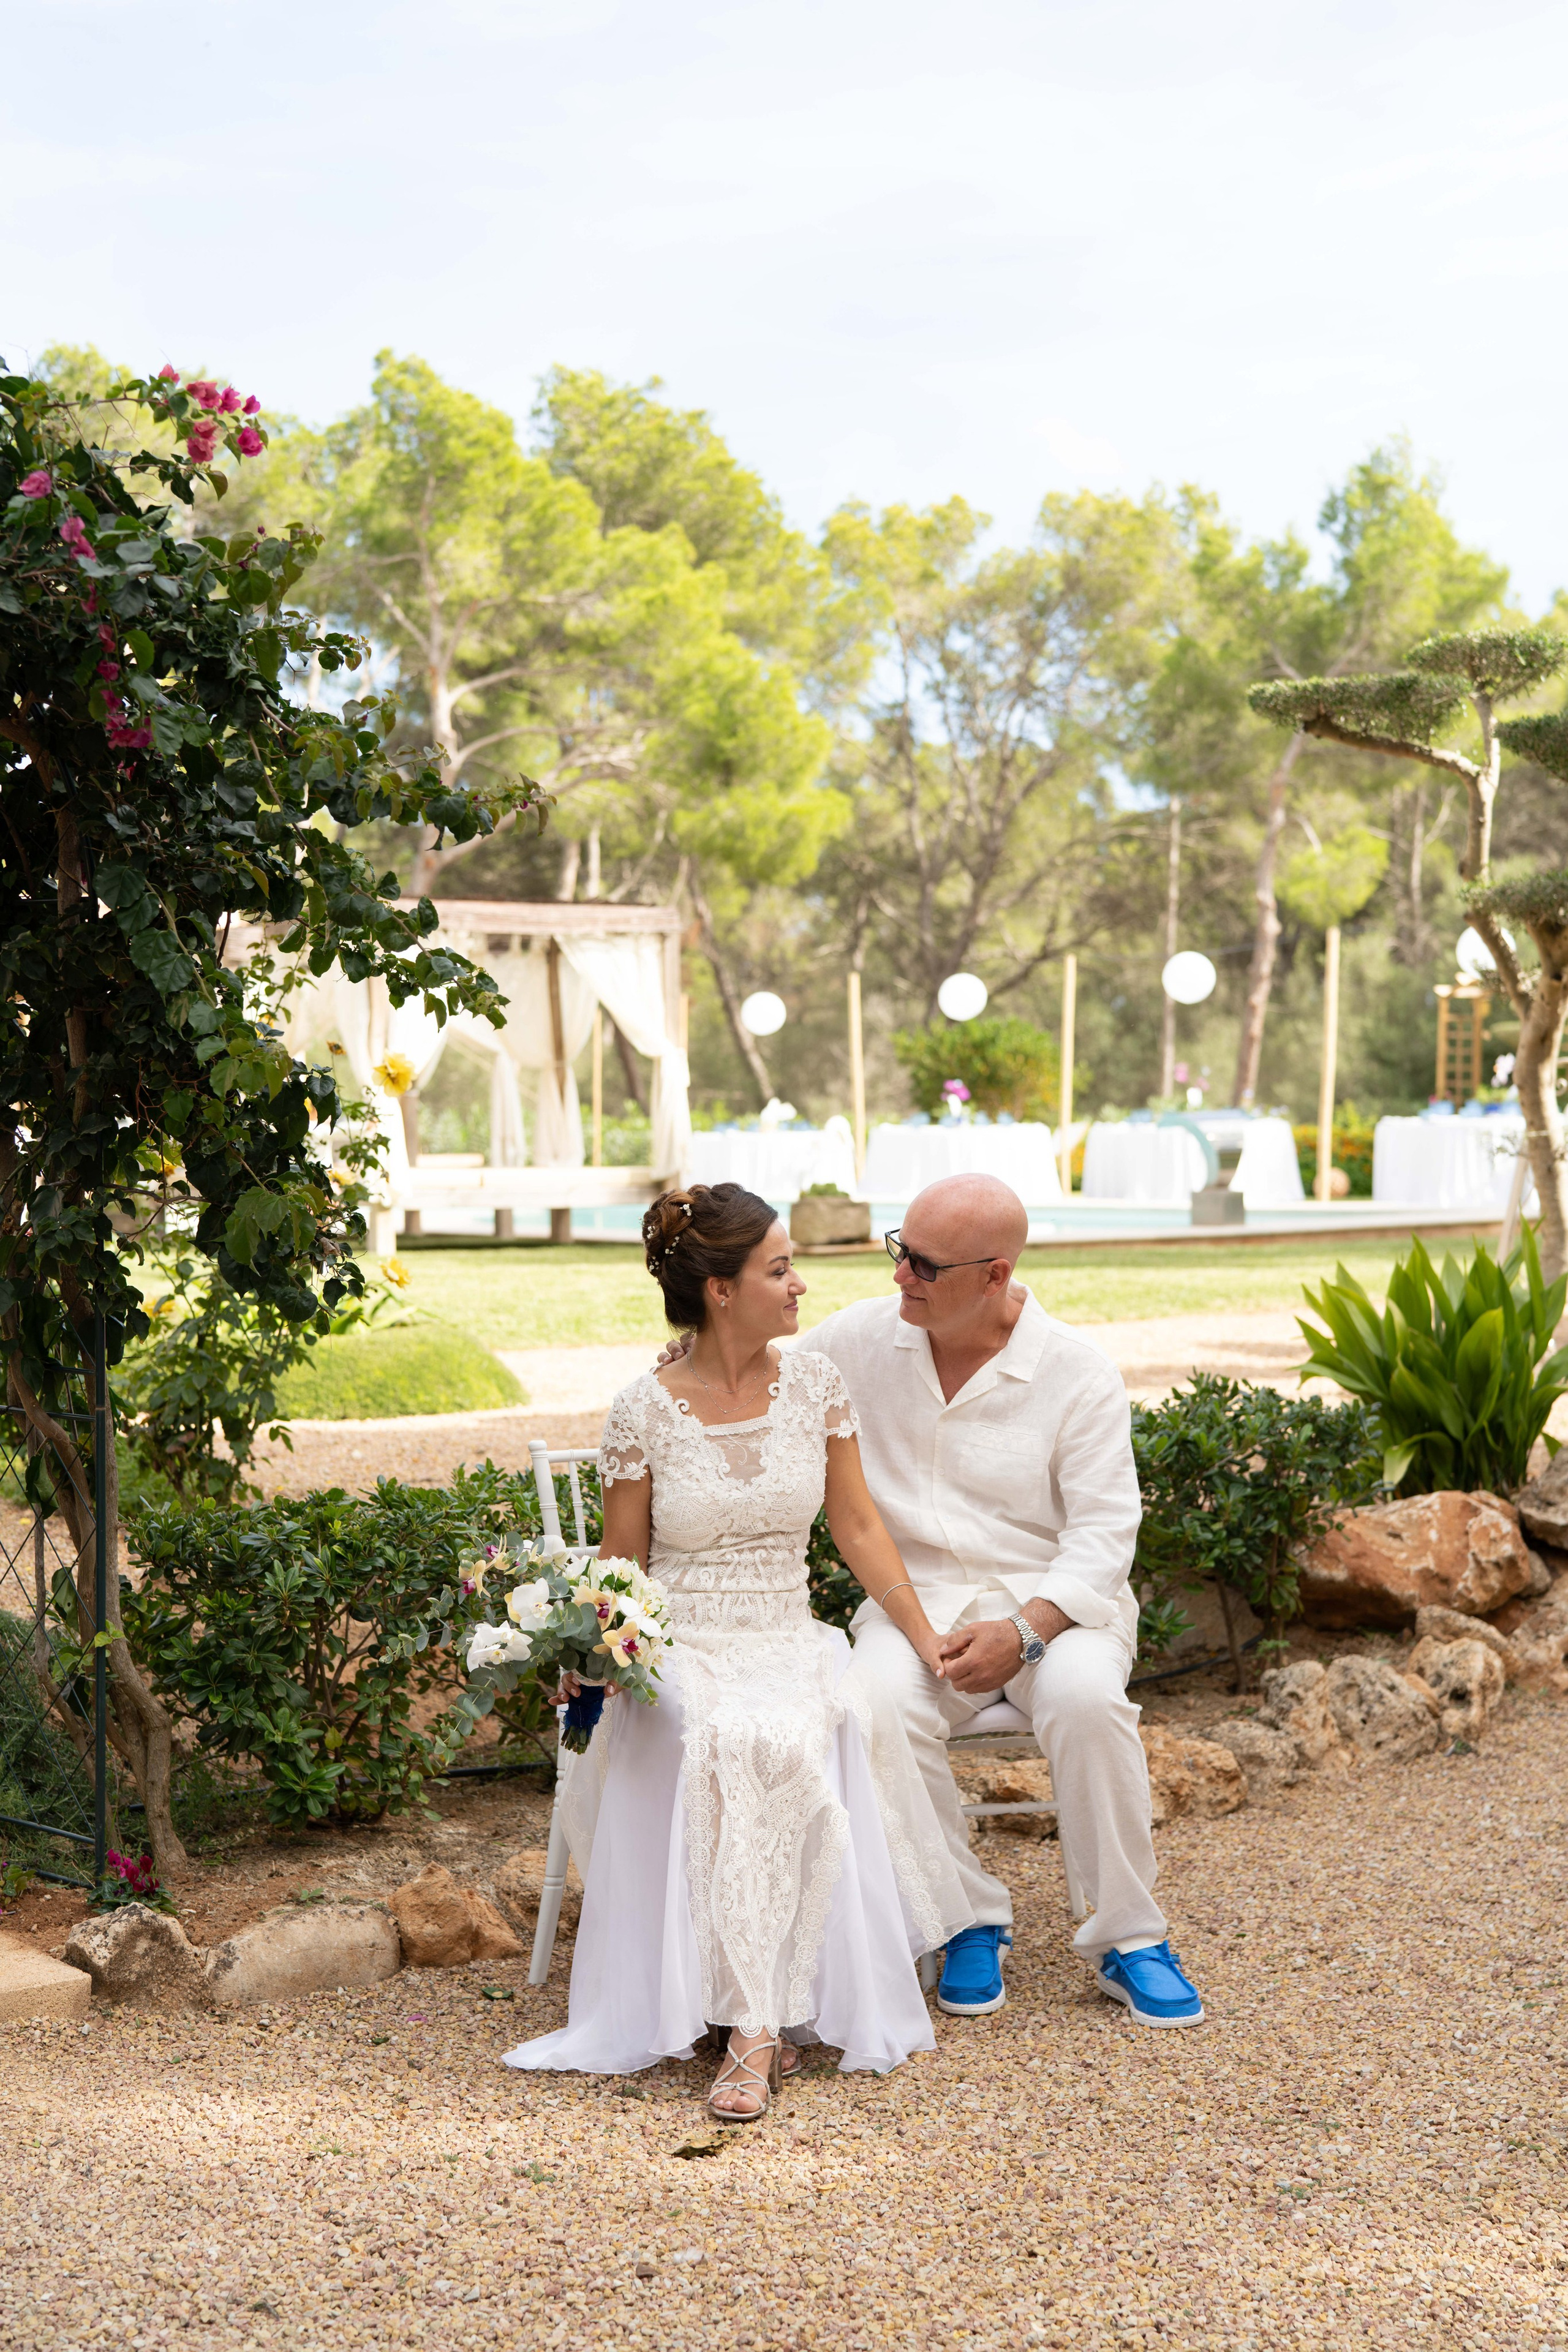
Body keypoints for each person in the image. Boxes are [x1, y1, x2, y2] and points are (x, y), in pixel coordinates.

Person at [502, 1183, 972, 2120]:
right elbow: (623, 1561)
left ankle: (750, 2015)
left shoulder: (817, 1387)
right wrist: (590, 1653)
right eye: (780, 1268)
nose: (800, 1286)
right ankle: (752, 2022)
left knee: (806, 1727)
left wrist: (924, 1635)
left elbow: (859, 1523)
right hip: (683, 1641)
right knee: (714, 1731)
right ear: (721, 1290)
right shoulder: (644, 1408)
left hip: (786, 1631)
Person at [803, 1174, 1204, 2029]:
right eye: (899, 1250)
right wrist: (682, 1357)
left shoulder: (1077, 1371)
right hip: (917, 1610)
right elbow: (753, 1368)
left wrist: (1024, 1632)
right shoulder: (858, 1341)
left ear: (994, 1275)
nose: (901, 1275)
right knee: (867, 1701)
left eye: (924, 1264)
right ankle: (967, 1918)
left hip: (1055, 1612)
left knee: (1089, 1702)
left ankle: (1130, 1938)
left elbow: (1103, 1535)